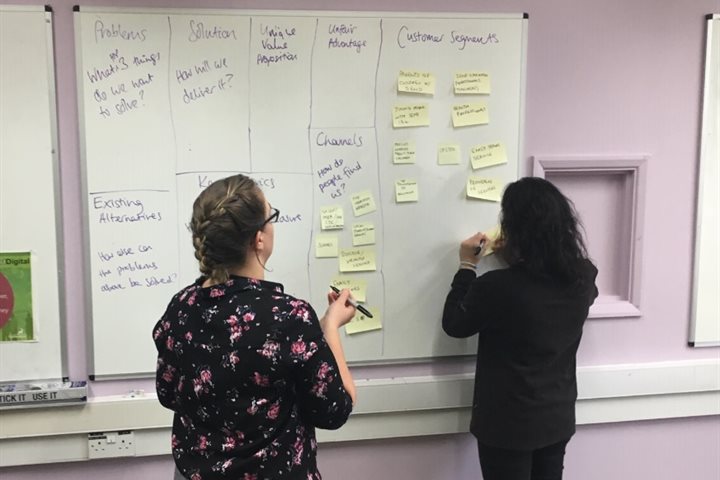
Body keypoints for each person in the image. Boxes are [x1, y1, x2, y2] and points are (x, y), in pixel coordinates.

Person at [153, 174, 357, 480]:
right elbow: (335, 410)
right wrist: (329, 329)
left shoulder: (182, 307)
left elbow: (168, 393)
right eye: (271, 216)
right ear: (258, 238)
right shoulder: (289, 317)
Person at [442, 177, 598, 480]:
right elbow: (548, 291)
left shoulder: (497, 288)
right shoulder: (582, 278)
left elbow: (455, 324)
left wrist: (466, 266)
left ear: (514, 230)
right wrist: (520, 254)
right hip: (557, 417)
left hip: (506, 425)